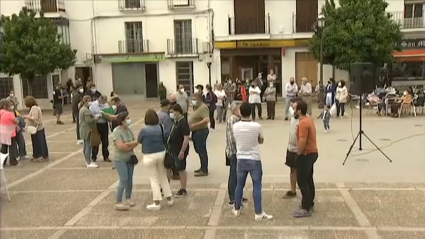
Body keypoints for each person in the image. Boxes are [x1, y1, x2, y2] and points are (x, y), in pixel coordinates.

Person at [232, 102, 273, 221]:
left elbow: (235, 140)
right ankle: (258, 212)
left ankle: (236, 208)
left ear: (240, 111)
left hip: (241, 158)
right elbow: (261, 140)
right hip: (254, 159)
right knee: (257, 186)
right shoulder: (257, 126)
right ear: (250, 112)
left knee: (239, 185)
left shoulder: (235, 126)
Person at [138, 109, 174, 210]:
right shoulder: (161, 127)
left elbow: (139, 140)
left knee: (154, 179)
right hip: (161, 153)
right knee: (163, 177)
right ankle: (169, 199)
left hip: (149, 155)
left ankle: (157, 202)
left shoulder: (144, 130)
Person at [292, 100, 318, 218]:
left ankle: (306, 207)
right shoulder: (308, 120)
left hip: (306, 154)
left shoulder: (303, 123)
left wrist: (298, 152)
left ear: (299, 111)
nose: (293, 111)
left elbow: (302, 140)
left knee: (302, 181)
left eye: (295, 109)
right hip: (312, 153)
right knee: (308, 179)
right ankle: (309, 203)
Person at [112, 111, 138, 211]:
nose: (129, 120)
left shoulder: (129, 129)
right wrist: (129, 145)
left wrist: (128, 144)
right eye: (127, 118)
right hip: (120, 159)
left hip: (130, 158)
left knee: (129, 179)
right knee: (123, 179)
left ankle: (128, 197)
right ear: (122, 121)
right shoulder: (116, 131)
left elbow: (136, 141)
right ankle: (118, 201)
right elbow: (120, 146)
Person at [168, 104, 190, 197]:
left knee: (181, 169)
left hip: (180, 149)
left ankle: (183, 188)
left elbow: (186, 138)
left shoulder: (183, 122)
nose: (171, 114)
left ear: (178, 111)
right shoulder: (176, 121)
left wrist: (182, 151)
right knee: (174, 167)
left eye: (172, 112)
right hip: (173, 149)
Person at [283, 97, 302, 199]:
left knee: (301, 170)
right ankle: (293, 189)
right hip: (291, 148)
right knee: (292, 169)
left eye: (293, 106)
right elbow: (290, 109)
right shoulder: (293, 116)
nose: (291, 108)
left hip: (299, 149)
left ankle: (302, 188)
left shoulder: (304, 119)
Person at [189, 93, 210, 177]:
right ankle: (202, 167)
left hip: (201, 131)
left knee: (201, 150)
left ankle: (204, 169)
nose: (193, 101)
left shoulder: (203, 108)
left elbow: (206, 119)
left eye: (195, 99)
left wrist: (195, 125)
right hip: (196, 131)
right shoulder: (196, 108)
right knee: (198, 150)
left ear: (199, 99)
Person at [22, 96, 49, 161]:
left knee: (38, 142)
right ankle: (39, 155)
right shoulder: (36, 107)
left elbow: (35, 118)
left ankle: (40, 155)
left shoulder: (34, 108)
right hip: (39, 127)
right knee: (38, 141)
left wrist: (27, 117)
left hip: (37, 127)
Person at [79, 95, 100, 168]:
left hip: (84, 129)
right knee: (88, 146)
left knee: (85, 145)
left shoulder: (82, 109)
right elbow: (88, 120)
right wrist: (95, 118)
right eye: (89, 100)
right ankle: (89, 162)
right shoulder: (85, 110)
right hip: (87, 129)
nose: (90, 102)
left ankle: (87, 160)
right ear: (86, 101)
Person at [89, 95, 111, 162]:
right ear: (100, 99)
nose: (104, 104)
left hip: (104, 124)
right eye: (103, 102)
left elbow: (109, 113)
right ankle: (94, 156)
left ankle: (106, 156)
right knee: (95, 141)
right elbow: (90, 115)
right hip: (96, 124)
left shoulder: (106, 105)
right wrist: (97, 116)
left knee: (105, 141)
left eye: (105, 102)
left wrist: (108, 116)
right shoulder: (93, 105)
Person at [0, 99, 19, 166]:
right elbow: (17, 121)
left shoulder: (1, 112)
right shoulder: (9, 114)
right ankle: (13, 161)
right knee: (12, 147)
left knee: (4, 147)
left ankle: (2, 161)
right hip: (10, 133)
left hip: (2, 132)